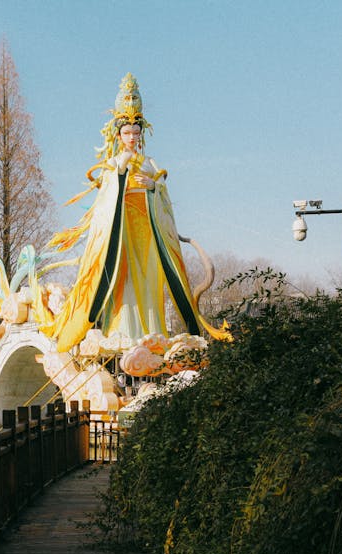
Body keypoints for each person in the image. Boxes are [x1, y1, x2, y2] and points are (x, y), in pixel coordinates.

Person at [41, 73, 228, 352]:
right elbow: (105, 203)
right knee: (123, 282)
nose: (131, 138)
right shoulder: (114, 163)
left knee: (150, 284)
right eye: (127, 133)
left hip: (148, 236)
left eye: (135, 133)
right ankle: (121, 333)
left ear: (141, 134)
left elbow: (165, 203)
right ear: (118, 135)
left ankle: (153, 333)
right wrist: (119, 175)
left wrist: (154, 188)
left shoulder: (151, 163)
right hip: (122, 236)